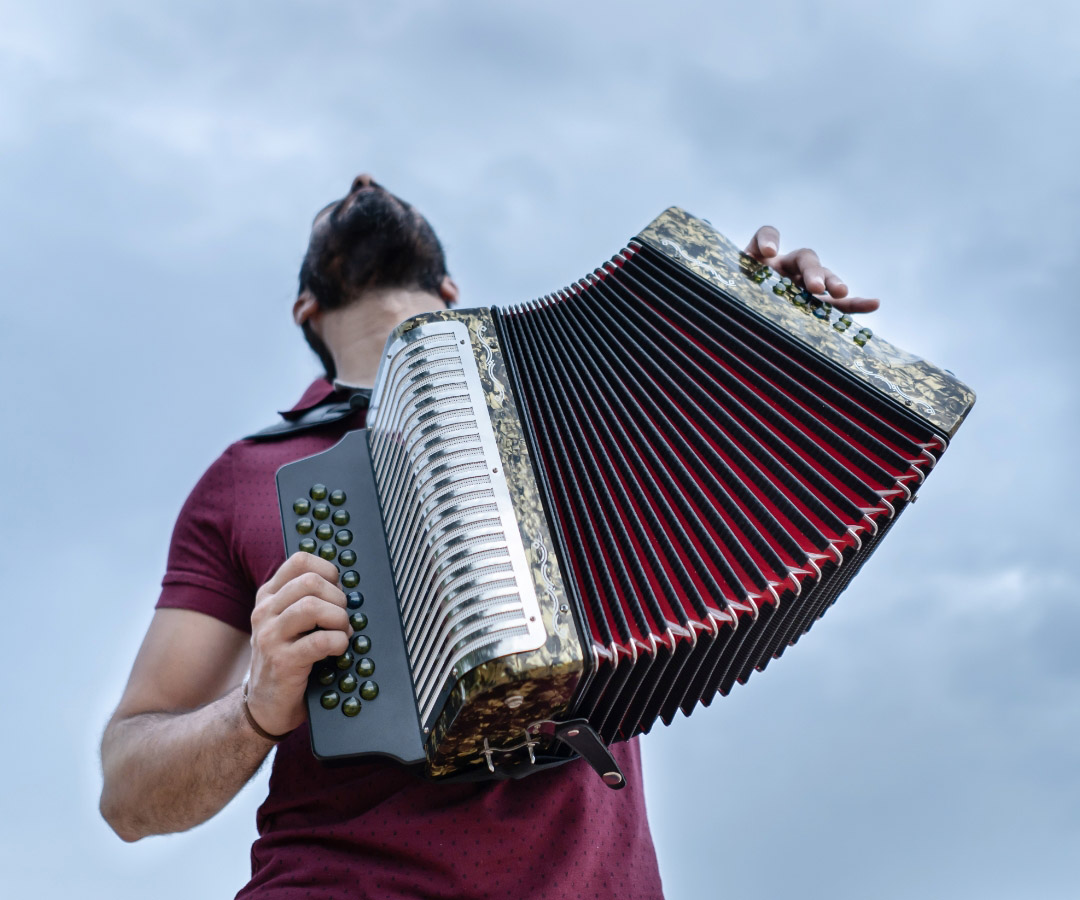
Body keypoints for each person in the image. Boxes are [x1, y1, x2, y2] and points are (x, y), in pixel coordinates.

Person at [99, 174, 880, 899]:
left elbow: (738, 491)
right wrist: (255, 709)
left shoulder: (588, 414)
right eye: (338, 198)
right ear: (306, 308)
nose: (364, 181)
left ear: (449, 290)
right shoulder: (245, 476)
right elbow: (129, 795)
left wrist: (766, 330)